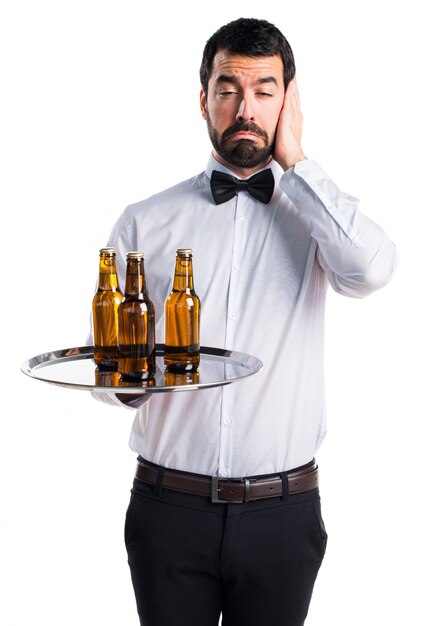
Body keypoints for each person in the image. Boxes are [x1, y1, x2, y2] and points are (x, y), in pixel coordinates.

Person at [92, 17, 397, 626]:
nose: (245, 108)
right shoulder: (144, 222)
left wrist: (300, 162)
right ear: (204, 99)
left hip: (282, 514)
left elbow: (372, 270)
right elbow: (116, 375)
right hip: (167, 510)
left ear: (288, 103)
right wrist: (124, 383)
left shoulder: (315, 216)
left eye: (265, 89)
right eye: (229, 88)